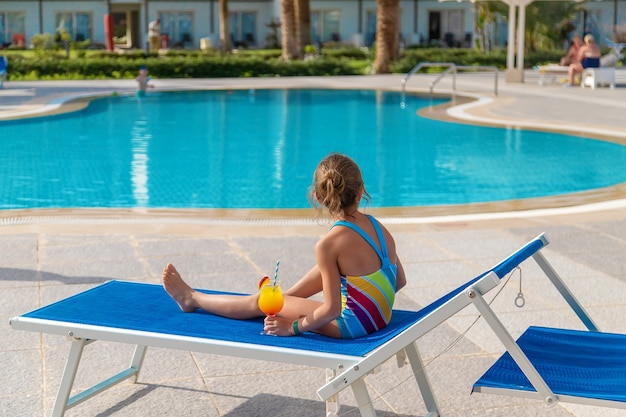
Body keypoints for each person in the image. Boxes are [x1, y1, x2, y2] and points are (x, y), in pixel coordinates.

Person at [162, 153, 407, 338]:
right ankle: (284, 296)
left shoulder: (329, 244)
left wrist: (292, 326)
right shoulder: (377, 226)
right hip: (380, 318)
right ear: (361, 191)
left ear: (319, 197)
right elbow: (398, 281)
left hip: (353, 327)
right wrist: (369, 303)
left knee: (261, 303)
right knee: (320, 273)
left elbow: (332, 311)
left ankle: (191, 298)